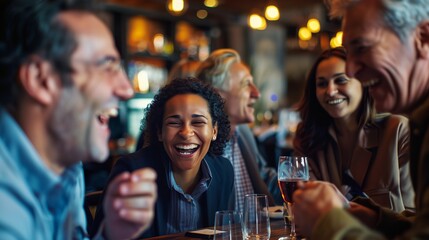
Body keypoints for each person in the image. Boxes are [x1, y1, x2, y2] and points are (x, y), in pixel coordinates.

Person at [0, 0, 157, 239]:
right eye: (108, 66)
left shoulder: (68, 167)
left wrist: (112, 235)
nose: (127, 89)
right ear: (41, 80)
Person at [292, 0, 429, 239]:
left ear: (423, 38)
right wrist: (374, 218)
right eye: (321, 83)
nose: (352, 71)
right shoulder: (421, 123)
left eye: (362, 47)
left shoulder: (402, 128)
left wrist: (330, 222)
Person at [92, 77, 234, 237]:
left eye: (198, 122)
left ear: (214, 130)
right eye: (174, 123)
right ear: (159, 132)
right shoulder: (131, 171)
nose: (186, 133)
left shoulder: (224, 171)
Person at [293, 47, 414, 212]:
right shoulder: (308, 137)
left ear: (364, 83)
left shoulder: (398, 131)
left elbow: (416, 218)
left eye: (341, 80)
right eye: (321, 83)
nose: (330, 90)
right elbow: (308, 210)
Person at [196, 48, 282, 213]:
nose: (256, 94)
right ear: (217, 94)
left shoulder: (243, 132)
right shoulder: (198, 142)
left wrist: (302, 185)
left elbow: (262, 175)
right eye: (246, 84)